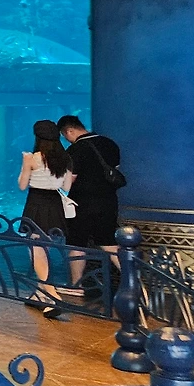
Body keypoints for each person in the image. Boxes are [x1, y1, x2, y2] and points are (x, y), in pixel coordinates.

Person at [58, 114, 122, 292]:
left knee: (77, 244)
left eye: (65, 136)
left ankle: (76, 286)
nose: (67, 140)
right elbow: (114, 171)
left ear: (69, 131)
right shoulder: (110, 144)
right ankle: (133, 280)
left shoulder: (75, 150)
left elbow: (69, 181)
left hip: (82, 203)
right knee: (108, 242)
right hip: (109, 201)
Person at [18, 119, 75, 319]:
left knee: (36, 251)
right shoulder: (66, 158)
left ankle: (52, 296)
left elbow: (22, 185)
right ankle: (39, 295)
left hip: (36, 204)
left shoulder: (31, 158)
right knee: (44, 251)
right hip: (55, 206)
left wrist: (25, 166)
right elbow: (66, 187)